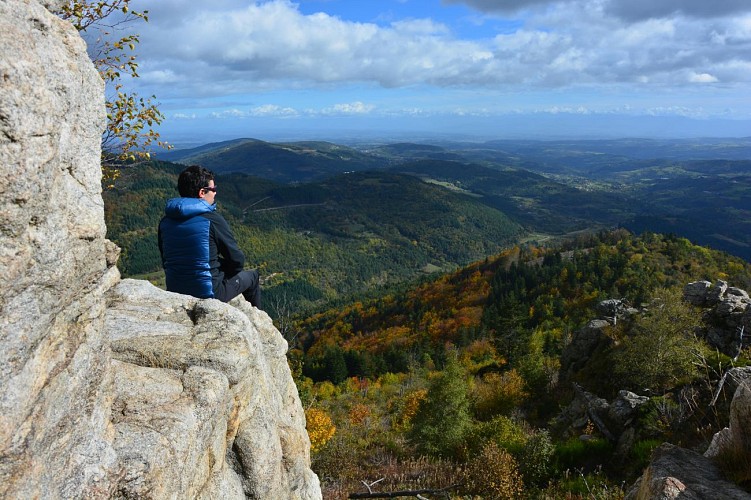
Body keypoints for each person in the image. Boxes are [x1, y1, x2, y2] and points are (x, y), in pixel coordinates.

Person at [158, 165, 261, 308]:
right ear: (202, 192)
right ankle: (257, 324)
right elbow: (237, 260)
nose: (215, 193)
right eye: (213, 189)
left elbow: (166, 259)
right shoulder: (211, 220)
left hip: (175, 290)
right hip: (208, 292)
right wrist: (223, 275)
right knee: (253, 276)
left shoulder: (165, 221)